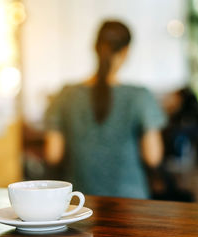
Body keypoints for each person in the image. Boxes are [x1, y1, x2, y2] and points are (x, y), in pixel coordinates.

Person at [44, 20, 167, 198]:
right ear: (126, 52)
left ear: (95, 48)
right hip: (132, 204)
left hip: (79, 202)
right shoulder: (140, 96)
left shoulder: (65, 95)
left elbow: (53, 154)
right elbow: (153, 156)